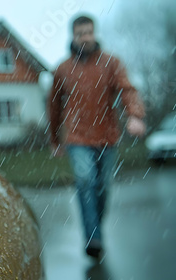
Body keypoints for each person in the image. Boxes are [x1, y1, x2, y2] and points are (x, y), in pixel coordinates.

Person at [47, 15, 146, 260]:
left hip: (107, 137)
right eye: (81, 33)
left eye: (89, 32)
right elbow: (54, 108)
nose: (85, 37)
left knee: (102, 188)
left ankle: (96, 230)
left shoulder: (111, 63)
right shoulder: (62, 69)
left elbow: (127, 89)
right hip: (77, 138)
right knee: (85, 180)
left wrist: (134, 114)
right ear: (73, 36)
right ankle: (93, 238)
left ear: (94, 33)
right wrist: (55, 140)